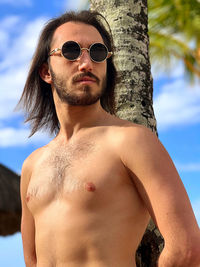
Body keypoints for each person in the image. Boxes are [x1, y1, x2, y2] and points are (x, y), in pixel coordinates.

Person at [19, 10, 200, 267]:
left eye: (98, 52)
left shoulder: (131, 141)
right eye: (71, 51)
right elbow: (33, 260)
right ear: (46, 71)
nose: (86, 63)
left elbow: (187, 249)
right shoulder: (31, 166)